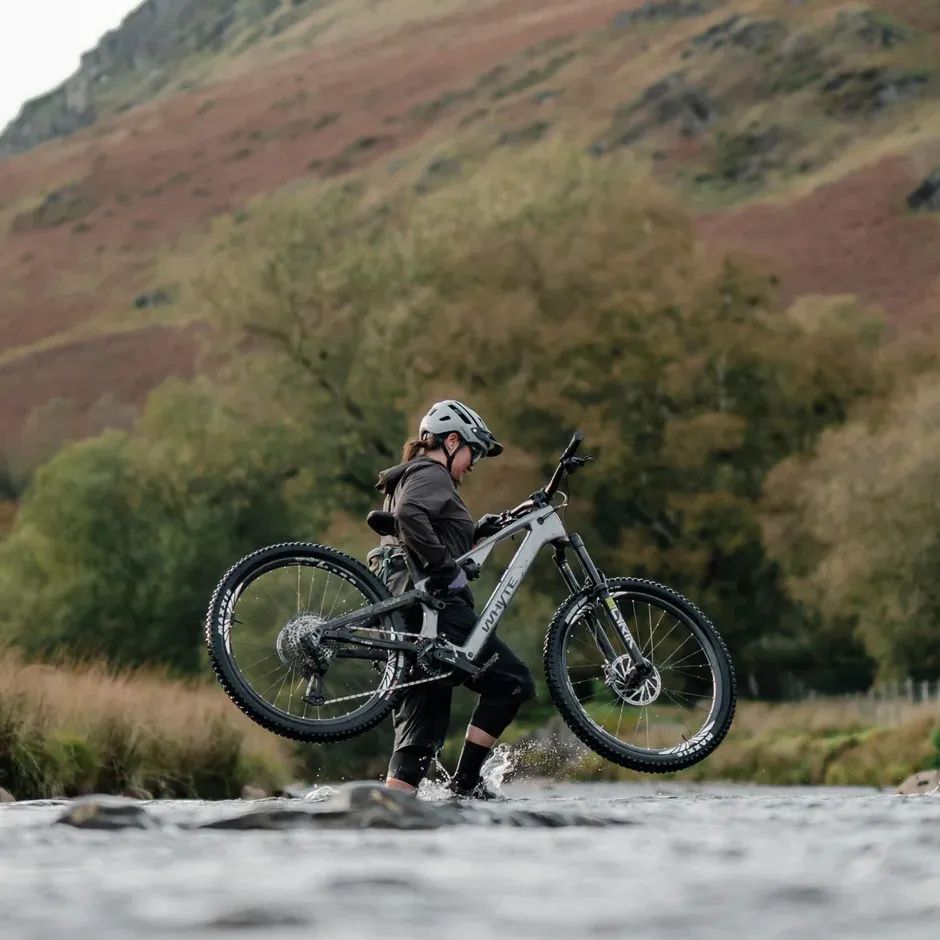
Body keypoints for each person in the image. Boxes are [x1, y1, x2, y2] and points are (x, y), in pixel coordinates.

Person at [375, 400, 536, 798]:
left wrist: (474, 532)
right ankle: (465, 784)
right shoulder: (431, 472)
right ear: (451, 441)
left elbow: (421, 529)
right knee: (512, 682)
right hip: (432, 608)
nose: (473, 464)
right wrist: (444, 567)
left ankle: (387, 815)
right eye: (472, 452)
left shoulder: (410, 477)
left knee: (418, 743)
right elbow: (411, 516)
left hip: (406, 617)